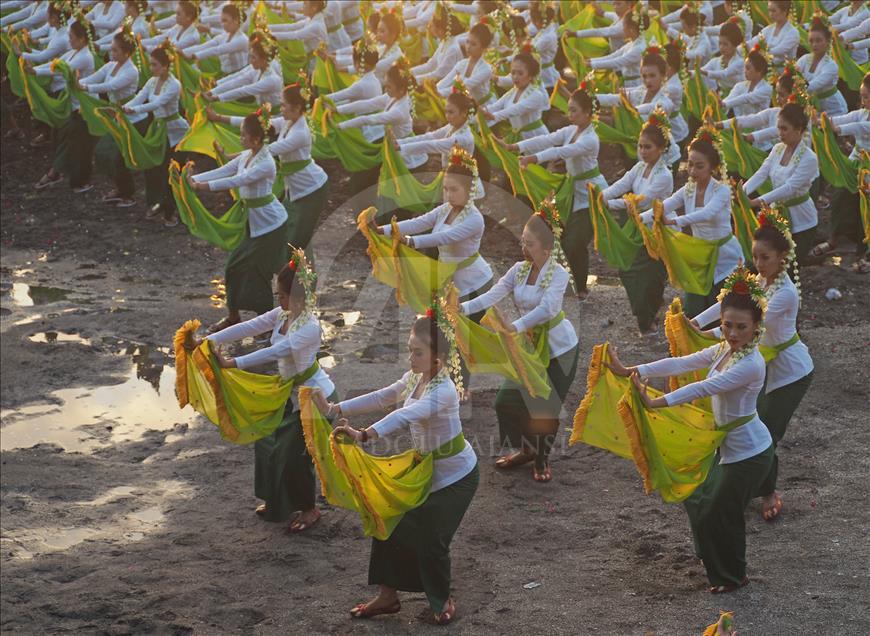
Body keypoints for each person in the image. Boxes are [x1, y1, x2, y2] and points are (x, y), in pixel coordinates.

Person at [607, 267, 774, 594]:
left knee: (721, 513)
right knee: (697, 499)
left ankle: (733, 576)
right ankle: (714, 559)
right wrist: (631, 370)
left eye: (741, 327)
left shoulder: (751, 362)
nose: (732, 332)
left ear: (756, 327)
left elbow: (705, 388)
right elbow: (682, 363)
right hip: (725, 447)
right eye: (727, 325)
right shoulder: (726, 349)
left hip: (749, 453)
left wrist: (657, 403)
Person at [322, 316, 479, 625]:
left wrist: (365, 434)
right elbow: (383, 396)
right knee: (388, 519)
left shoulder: (444, 390)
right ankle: (388, 596)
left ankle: (441, 599)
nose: (411, 358)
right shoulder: (414, 377)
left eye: (417, 352)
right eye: (410, 350)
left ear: (439, 356)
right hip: (423, 470)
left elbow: (405, 414)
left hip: (456, 477)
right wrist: (336, 409)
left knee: (432, 540)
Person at [692, 209, 813, 521]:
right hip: (763, 364)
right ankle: (755, 485)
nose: (758, 264)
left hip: (790, 371)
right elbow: (730, 304)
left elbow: (748, 326)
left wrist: (705, 334)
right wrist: (695, 321)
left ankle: (768, 492)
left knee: (767, 433)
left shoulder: (785, 293)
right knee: (755, 424)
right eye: (756, 256)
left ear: (783, 257)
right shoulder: (759, 280)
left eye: (765, 258)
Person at [203, 255, 336, 533]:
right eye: (278, 294)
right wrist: (208, 341)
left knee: (292, 454)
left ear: (299, 297)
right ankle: (277, 503)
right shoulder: (282, 315)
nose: (279, 300)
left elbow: (278, 350)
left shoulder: (310, 326)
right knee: (267, 443)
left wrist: (233, 362)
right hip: (288, 393)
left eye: (283, 295)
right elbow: (250, 327)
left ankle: (310, 509)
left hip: (314, 397)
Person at [460, 209, 579, 482]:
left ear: (547, 248)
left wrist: (515, 327)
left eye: (529, 243)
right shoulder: (518, 270)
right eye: (522, 241)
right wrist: (459, 308)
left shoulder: (558, 274)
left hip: (560, 350)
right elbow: (491, 295)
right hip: (527, 348)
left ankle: (541, 457)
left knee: (544, 408)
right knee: (506, 402)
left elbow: (548, 309)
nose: (523, 247)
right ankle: (526, 448)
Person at [188, 111, 289, 333]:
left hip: (271, 226)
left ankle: (265, 321)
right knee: (239, 268)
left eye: (243, 135)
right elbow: (225, 170)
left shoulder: (265, 163)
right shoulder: (248, 154)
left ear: (255, 139)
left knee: (253, 271)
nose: (240, 137)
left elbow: (237, 180)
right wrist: (194, 178)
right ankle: (236, 316)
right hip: (255, 223)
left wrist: (199, 187)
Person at [508, 86, 609, 299]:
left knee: (575, 241)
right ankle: (569, 284)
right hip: (571, 193)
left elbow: (561, 151)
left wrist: (533, 159)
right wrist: (516, 147)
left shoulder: (590, 138)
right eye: (569, 110)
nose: (569, 115)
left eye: (574, 111)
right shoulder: (571, 131)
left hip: (591, 194)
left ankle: (579, 288)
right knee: (561, 237)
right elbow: (547, 139)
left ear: (588, 113)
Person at [213, 83, 329, 250]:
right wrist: (219, 117)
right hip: (296, 190)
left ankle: (293, 274)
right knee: (289, 235)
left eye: (283, 104)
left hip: (312, 191)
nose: (280, 108)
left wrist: (228, 156)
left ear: (296, 107)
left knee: (295, 242)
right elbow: (256, 125)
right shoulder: (287, 121)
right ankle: (300, 272)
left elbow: (265, 151)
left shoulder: (300, 133)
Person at [600, 111, 674, 334]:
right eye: (640, 146)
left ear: (661, 149)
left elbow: (642, 200)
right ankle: (647, 310)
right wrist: (602, 196)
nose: (642, 151)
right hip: (636, 225)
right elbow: (622, 184)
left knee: (650, 275)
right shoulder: (639, 167)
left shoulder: (664, 176)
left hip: (654, 228)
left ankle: (647, 316)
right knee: (627, 270)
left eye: (647, 147)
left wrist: (609, 205)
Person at [663, 131, 742, 316]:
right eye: (690, 164)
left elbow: (707, 213)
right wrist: (640, 215)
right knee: (694, 308)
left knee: (721, 307)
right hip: (699, 256)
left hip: (724, 256)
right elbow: (665, 205)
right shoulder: (688, 190)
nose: (692, 171)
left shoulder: (721, 190)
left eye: (699, 166)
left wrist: (674, 221)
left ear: (712, 168)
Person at [121, 45, 190, 227]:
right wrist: (124, 108)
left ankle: (171, 210)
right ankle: (156, 203)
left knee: (172, 171)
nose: (151, 68)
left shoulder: (174, 84)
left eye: (155, 65)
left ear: (166, 66)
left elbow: (157, 103)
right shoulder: (152, 81)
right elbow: (140, 97)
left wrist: (133, 109)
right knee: (153, 168)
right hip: (158, 129)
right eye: (151, 64)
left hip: (175, 132)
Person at [743, 103, 819, 266]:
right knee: (767, 265)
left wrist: (758, 201)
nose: (780, 133)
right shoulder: (777, 149)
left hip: (802, 221)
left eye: (784, 129)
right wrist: (742, 191)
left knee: (788, 268)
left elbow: (790, 187)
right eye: (779, 128)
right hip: (778, 215)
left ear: (798, 130)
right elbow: (761, 173)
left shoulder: (809, 158)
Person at [79, 29, 143, 208]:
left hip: (132, 119)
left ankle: (127, 194)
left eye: (115, 50)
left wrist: (84, 88)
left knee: (118, 156)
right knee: (105, 153)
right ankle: (120, 188)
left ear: (127, 53)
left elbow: (109, 85)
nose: (111, 53)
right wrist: (78, 83)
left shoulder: (131, 71)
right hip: (117, 116)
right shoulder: (110, 66)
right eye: (112, 49)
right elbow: (93, 78)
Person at [30, 19, 96, 192]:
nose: (69, 40)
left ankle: (65, 176)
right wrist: (30, 63)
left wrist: (35, 70)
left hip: (84, 108)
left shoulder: (84, 57)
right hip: (74, 104)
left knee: (77, 143)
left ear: (82, 39)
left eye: (72, 37)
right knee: (68, 139)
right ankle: (66, 175)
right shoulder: (74, 52)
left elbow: (60, 69)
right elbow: (55, 64)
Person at [818, 74, 870, 270]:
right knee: (839, 196)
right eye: (862, 97)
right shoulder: (862, 112)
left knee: (865, 209)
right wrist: (822, 120)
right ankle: (834, 240)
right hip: (855, 162)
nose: (863, 101)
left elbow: (860, 127)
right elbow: (847, 118)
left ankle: (865, 251)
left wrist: (837, 128)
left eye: (866, 97)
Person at [597, 50, 680, 165]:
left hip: (667, 158)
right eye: (644, 76)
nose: (648, 80)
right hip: (646, 152)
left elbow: (654, 107)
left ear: (663, 75)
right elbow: (616, 98)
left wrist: (635, 110)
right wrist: (591, 98)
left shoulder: (666, 99)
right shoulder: (641, 93)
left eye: (652, 75)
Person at [481, 50, 550, 141]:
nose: (515, 77)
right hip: (519, 139)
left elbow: (516, 109)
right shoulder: (512, 92)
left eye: (520, 73)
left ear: (530, 75)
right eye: (513, 73)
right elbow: (496, 106)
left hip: (537, 139)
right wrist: (474, 113)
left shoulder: (536, 95)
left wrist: (494, 116)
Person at [207, 31, 282, 107]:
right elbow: (239, 79)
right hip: (260, 105)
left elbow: (244, 90)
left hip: (272, 114)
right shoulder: (257, 69)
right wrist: (213, 90)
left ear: (264, 59)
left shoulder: (271, 77)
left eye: (253, 57)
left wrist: (216, 97)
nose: (250, 61)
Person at [797, 16, 847, 117]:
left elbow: (812, 86)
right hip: (813, 110)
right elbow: (793, 75)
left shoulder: (831, 66)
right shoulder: (804, 59)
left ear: (828, 41)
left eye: (819, 40)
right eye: (811, 41)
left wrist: (793, 87)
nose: (814, 44)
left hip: (835, 110)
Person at [435, 23, 494, 108]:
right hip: (468, 107)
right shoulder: (462, 64)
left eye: (473, 44)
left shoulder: (486, 69)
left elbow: (463, 87)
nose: (468, 47)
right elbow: (445, 81)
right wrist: (433, 90)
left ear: (483, 48)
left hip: (486, 108)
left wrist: (439, 93)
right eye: (467, 42)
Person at [180, 2, 249, 75]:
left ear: (236, 20)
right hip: (224, 74)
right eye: (222, 21)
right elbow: (205, 46)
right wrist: (182, 51)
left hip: (238, 76)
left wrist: (193, 56)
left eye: (225, 21)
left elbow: (217, 50)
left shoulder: (242, 39)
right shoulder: (224, 35)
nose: (222, 24)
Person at [701, 19, 746, 95]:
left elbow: (724, 74)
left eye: (725, 44)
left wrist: (705, 73)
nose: (721, 47)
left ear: (734, 45)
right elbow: (700, 71)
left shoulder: (740, 62)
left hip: (739, 98)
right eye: (720, 43)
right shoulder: (715, 61)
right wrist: (689, 73)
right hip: (722, 97)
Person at [750, 0, 799, 68]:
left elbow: (780, 50)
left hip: (784, 74)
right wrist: (741, 45)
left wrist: (760, 51)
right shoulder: (768, 29)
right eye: (769, 10)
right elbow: (753, 42)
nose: (770, 14)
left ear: (784, 11)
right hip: (767, 70)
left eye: (773, 11)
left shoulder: (793, 32)